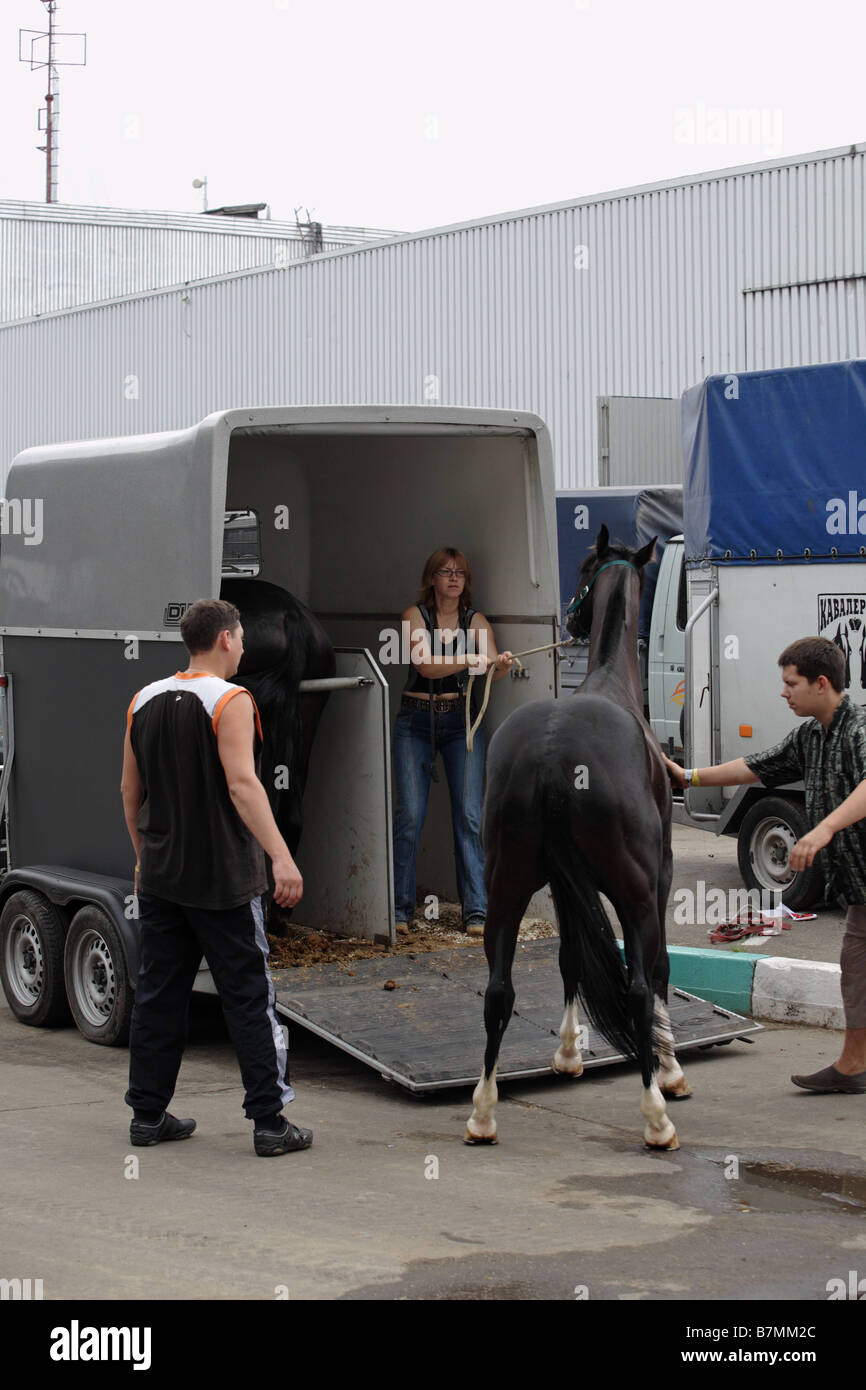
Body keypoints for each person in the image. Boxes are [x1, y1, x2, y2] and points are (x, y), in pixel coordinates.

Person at [120, 598, 313, 1157]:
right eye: (243, 638)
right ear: (226, 639)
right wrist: (282, 857)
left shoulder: (143, 699)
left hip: (160, 878)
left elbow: (131, 792)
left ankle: (147, 1115)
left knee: (159, 993)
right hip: (223, 880)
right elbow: (243, 785)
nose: (246, 647)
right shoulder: (231, 699)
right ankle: (270, 1124)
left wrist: (143, 858)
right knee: (249, 995)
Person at [663, 636, 866, 1094]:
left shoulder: (859, 728)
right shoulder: (811, 735)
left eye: (791, 683)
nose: (784, 692)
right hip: (860, 890)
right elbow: (757, 766)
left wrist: (821, 830)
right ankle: (854, 1066)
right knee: (856, 968)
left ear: (821, 683)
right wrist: (689, 776)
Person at [393, 547, 513, 937]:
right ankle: (399, 911)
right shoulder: (415, 616)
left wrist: (500, 665)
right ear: (432, 579)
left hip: (462, 721)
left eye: (459, 572)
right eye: (445, 572)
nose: (453, 578)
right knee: (410, 816)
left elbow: (491, 669)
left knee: (470, 817)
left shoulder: (475, 620)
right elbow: (424, 664)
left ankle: (476, 911)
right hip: (416, 720)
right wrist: (471, 659)